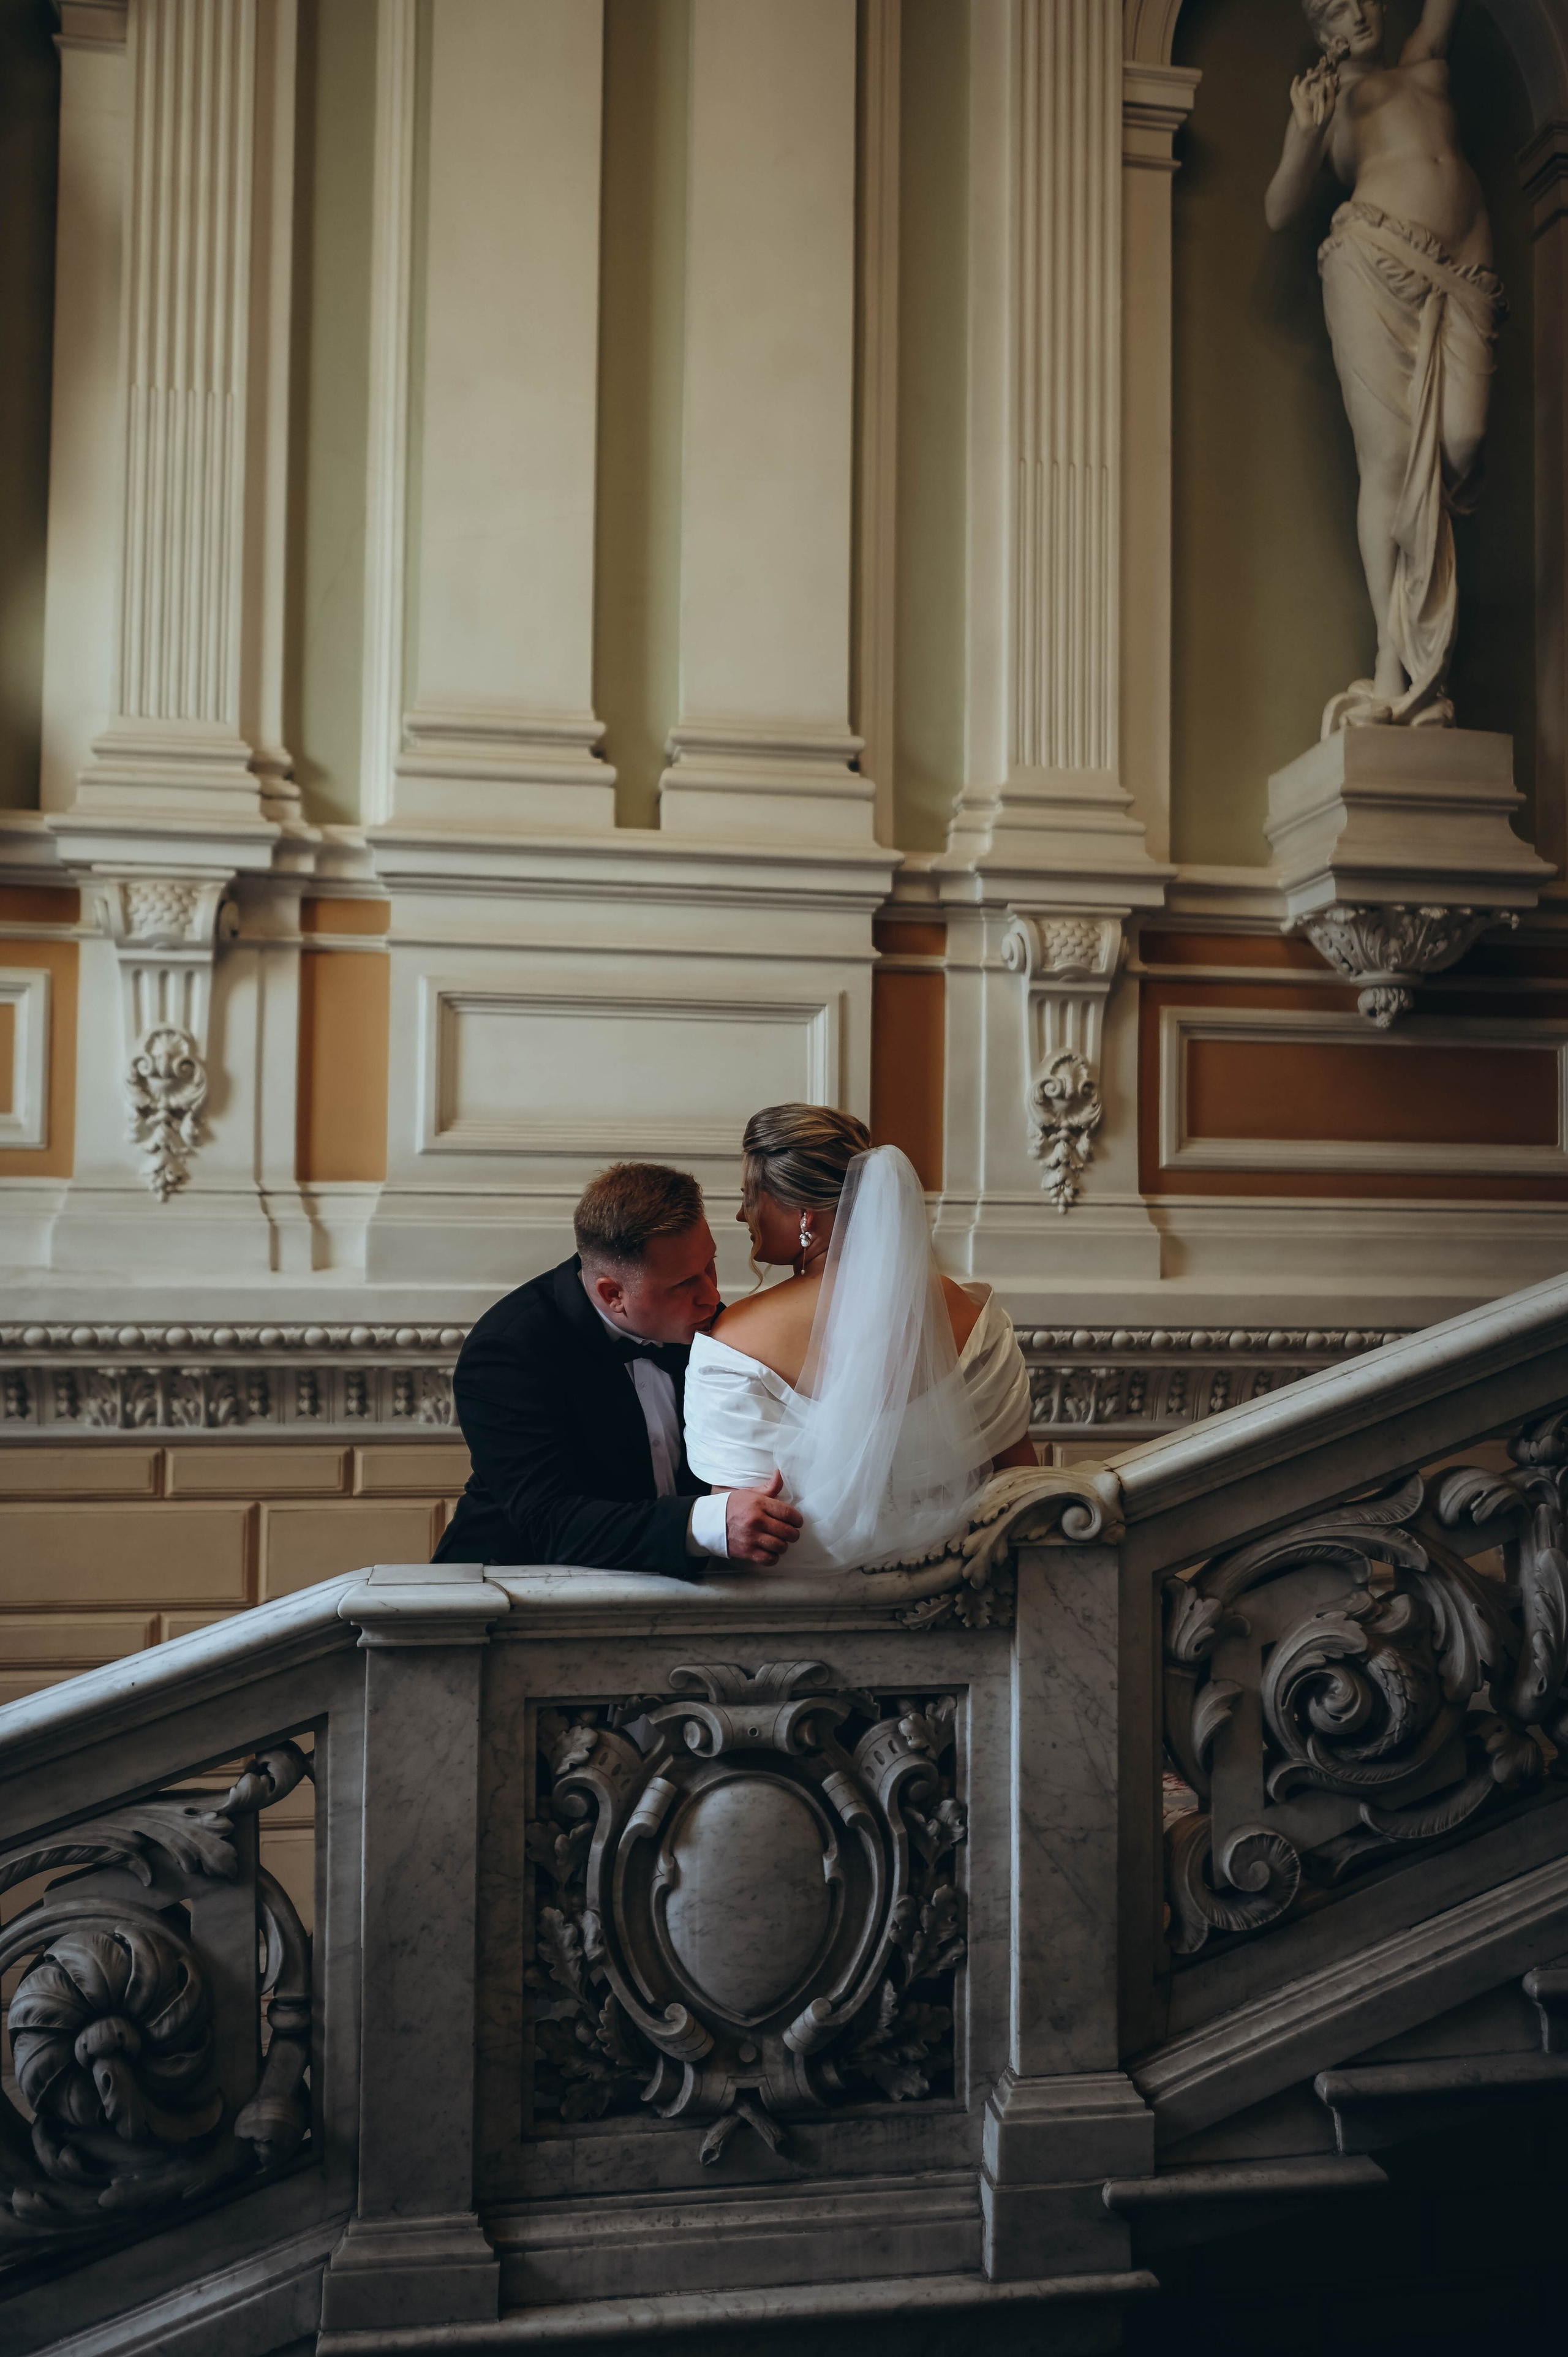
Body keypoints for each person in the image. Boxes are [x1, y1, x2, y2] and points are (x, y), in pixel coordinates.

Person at [1264, 0, 1504, 732]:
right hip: (1374, 266)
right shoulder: (1327, 101)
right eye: (1335, 8)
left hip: (1464, 275)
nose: (1358, 12)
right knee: (1390, 462)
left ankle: (1415, 661)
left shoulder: (1423, 59)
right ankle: (1393, 665)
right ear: (1321, 33)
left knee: (1461, 443)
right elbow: (1279, 207)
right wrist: (1305, 137)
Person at [682, 1106, 1037, 1573]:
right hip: (961, 1591)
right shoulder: (970, 1316)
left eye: (751, 1195)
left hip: (797, 1607)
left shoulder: (735, 1338)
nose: (740, 1213)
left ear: (804, 1214)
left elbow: (740, 1526)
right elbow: (1024, 1484)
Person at [434, 1162, 802, 1574]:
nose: (711, 1296)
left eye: (710, 1266)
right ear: (613, 1295)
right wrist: (709, 1524)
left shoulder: (710, 1324)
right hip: (502, 1592)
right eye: (682, 1285)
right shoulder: (508, 1352)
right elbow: (551, 1525)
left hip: (664, 1597)